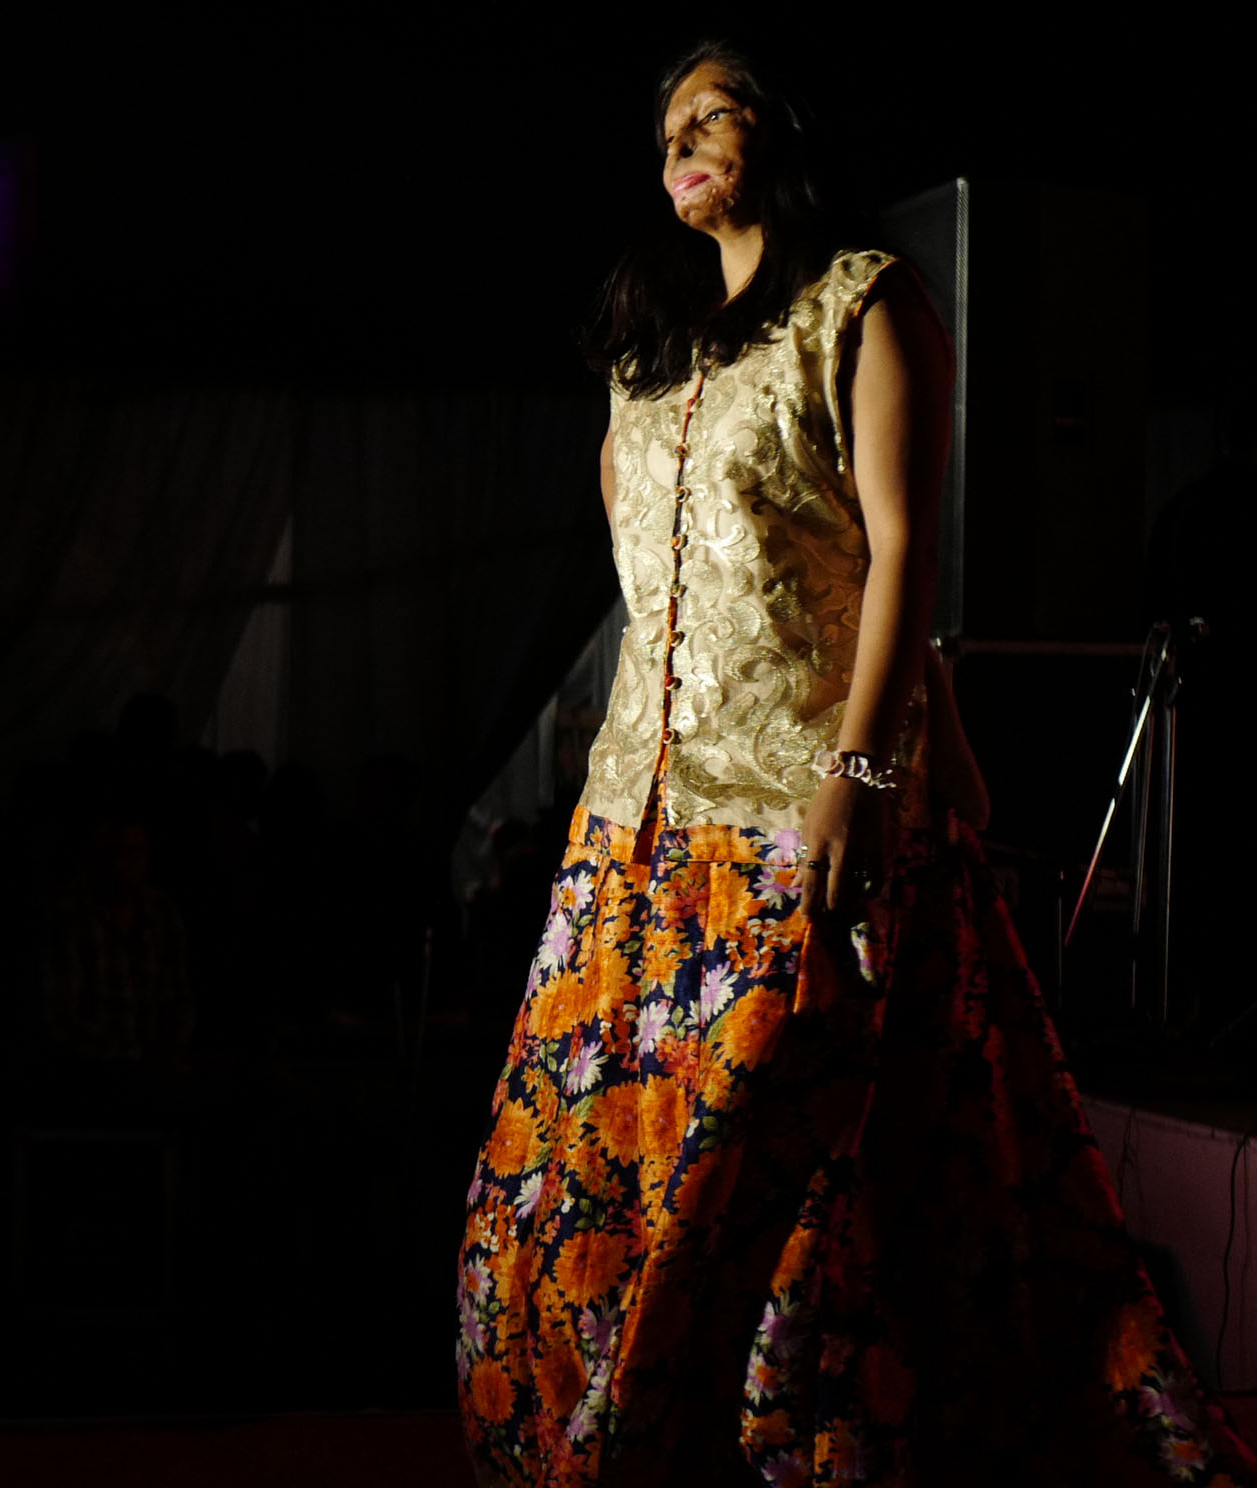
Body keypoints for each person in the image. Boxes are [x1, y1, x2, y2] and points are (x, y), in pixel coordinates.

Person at [454, 40, 1257, 1488]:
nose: (687, 140)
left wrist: (867, 773)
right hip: (636, 840)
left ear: (785, 134)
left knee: (793, 1171)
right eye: (668, 127)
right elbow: (659, 603)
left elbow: (901, 559)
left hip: (801, 818)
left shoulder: (865, 305)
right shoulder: (644, 363)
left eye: (721, 111)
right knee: (594, 1172)